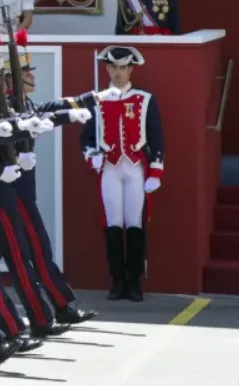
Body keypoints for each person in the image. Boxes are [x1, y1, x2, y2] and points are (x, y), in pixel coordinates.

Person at [80, 46, 163, 303]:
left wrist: (156, 171)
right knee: (113, 223)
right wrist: (91, 154)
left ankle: (134, 281)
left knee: (135, 222)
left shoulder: (144, 99)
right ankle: (117, 280)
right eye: (113, 67)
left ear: (131, 69)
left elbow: (156, 136)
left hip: (136, 167)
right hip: (110, 167)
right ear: (107, 69)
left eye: (123, 67)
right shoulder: (96, 99)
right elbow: (86, 137)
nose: (118, 72)